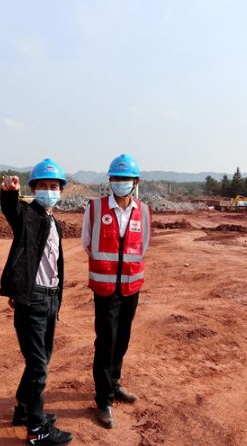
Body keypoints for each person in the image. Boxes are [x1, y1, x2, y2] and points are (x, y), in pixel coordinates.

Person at [0, 158, 73, 446]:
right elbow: (13, 211)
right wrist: (9, 193)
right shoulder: (28, 216)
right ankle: (37, 429)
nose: (49, 191)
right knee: (38, 365)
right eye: (44, 186)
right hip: (34, 302)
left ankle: (24, 409)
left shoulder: (53, 222)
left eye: (54, 186)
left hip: (50, 300)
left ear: (61, 191)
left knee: (41, 360)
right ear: (33, 189)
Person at [81, 154, 151, 429]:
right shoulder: (95, 208)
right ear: (110, 180)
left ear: (136, 182)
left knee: (122, 338)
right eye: (117, 178)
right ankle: (103, 400)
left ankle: (115, 382)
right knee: (106, 342)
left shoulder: (143, 211)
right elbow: (87, 243)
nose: (122, 182)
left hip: (131, 286)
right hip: (105, 287)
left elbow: (143, 245)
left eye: (127, 178)